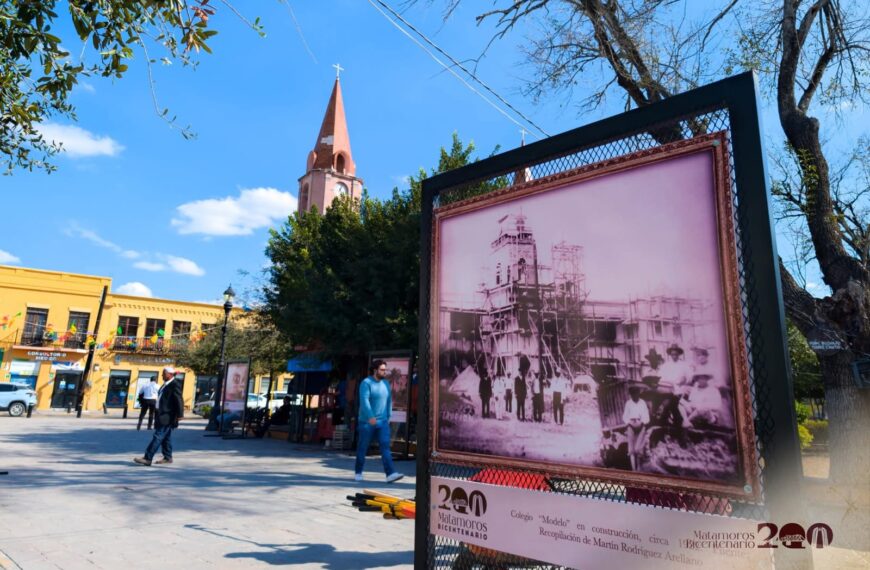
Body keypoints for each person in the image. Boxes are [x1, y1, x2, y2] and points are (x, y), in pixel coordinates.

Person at [354, 360, 404, 483]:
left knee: (385, 447)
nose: (384, 372)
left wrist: (388, 416)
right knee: (363, 447)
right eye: (382, 370)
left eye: (385, 370)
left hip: (382, 422)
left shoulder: (386, 383)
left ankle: (390, 474)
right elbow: (364, 401)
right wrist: (371, 417)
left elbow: (388, 401)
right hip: (367, 421)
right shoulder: (366, 383)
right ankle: (358, 472)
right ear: (375, 370)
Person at [134, 366, 184, 466]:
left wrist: (180, 414)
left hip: (167, 415)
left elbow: (179, 399)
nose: (161, 375)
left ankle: (147, 458)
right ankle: (168, 457)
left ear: (170, 374)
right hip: (160, 414)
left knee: (158, 436)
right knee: (166, 437)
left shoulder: (174, 385)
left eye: (164, 373)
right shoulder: (165, 385)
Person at [622, 386, 650, 471]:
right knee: (631, 450)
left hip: (641, 425)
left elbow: (646, 416)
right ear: (630, 395)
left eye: (636, 393)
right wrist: (629, 423)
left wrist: (641, 422)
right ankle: (634, 470)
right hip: (631, 425)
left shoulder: (642, 403)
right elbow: (625, 416)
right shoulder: (628, 403)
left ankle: (639, 469)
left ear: (638, 393)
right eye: (632, 394)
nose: (634, 396)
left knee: (638, 449)